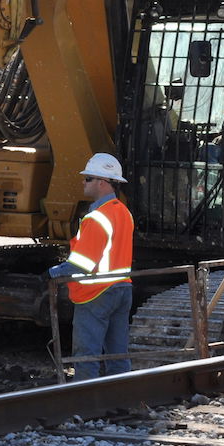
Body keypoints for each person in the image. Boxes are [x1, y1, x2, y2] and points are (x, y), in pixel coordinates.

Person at [48, 153, 135, 380]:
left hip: (95, 294)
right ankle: (121, 397)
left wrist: (51, 273)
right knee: (118, 354)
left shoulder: (96, 218)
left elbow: (82, 264)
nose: (83, 182)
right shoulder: (123, 213)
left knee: (86, 354)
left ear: (102, 182)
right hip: (121, 288)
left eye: (87, 179)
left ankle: (85, 403)